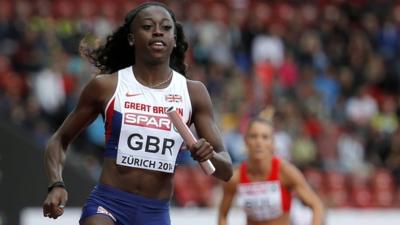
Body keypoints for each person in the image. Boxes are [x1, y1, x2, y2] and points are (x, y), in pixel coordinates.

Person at [42, 2, 233, 225]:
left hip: (155, 213)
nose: (158, 31)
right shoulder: (107, 87)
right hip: (108, 205)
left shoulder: (193, 93)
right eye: (148, 26)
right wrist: (56, 183)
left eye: (166, 27)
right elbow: (59, 140)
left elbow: (226, 170)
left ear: (173, 40)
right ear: (132, 39)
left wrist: (208, 155)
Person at [218, 109, 324, 225]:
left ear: (273, 144)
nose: (259, 142)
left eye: (265, 137)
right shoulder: (236, 177)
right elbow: (223, 214)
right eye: (254, 136)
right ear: (246, 141)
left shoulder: (285, 171)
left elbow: (316, 205)